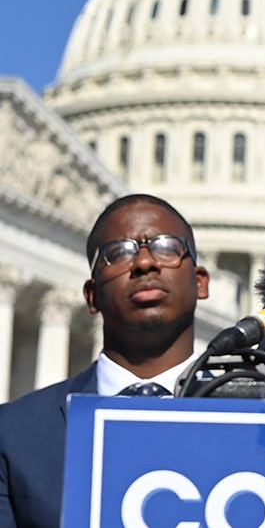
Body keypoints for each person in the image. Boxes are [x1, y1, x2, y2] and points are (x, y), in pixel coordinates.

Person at [0, 194, 209, 528]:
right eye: (119, 252)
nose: (144, 263)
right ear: (92, 295)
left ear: (201, 282)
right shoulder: (13, 434)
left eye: (167, 247)